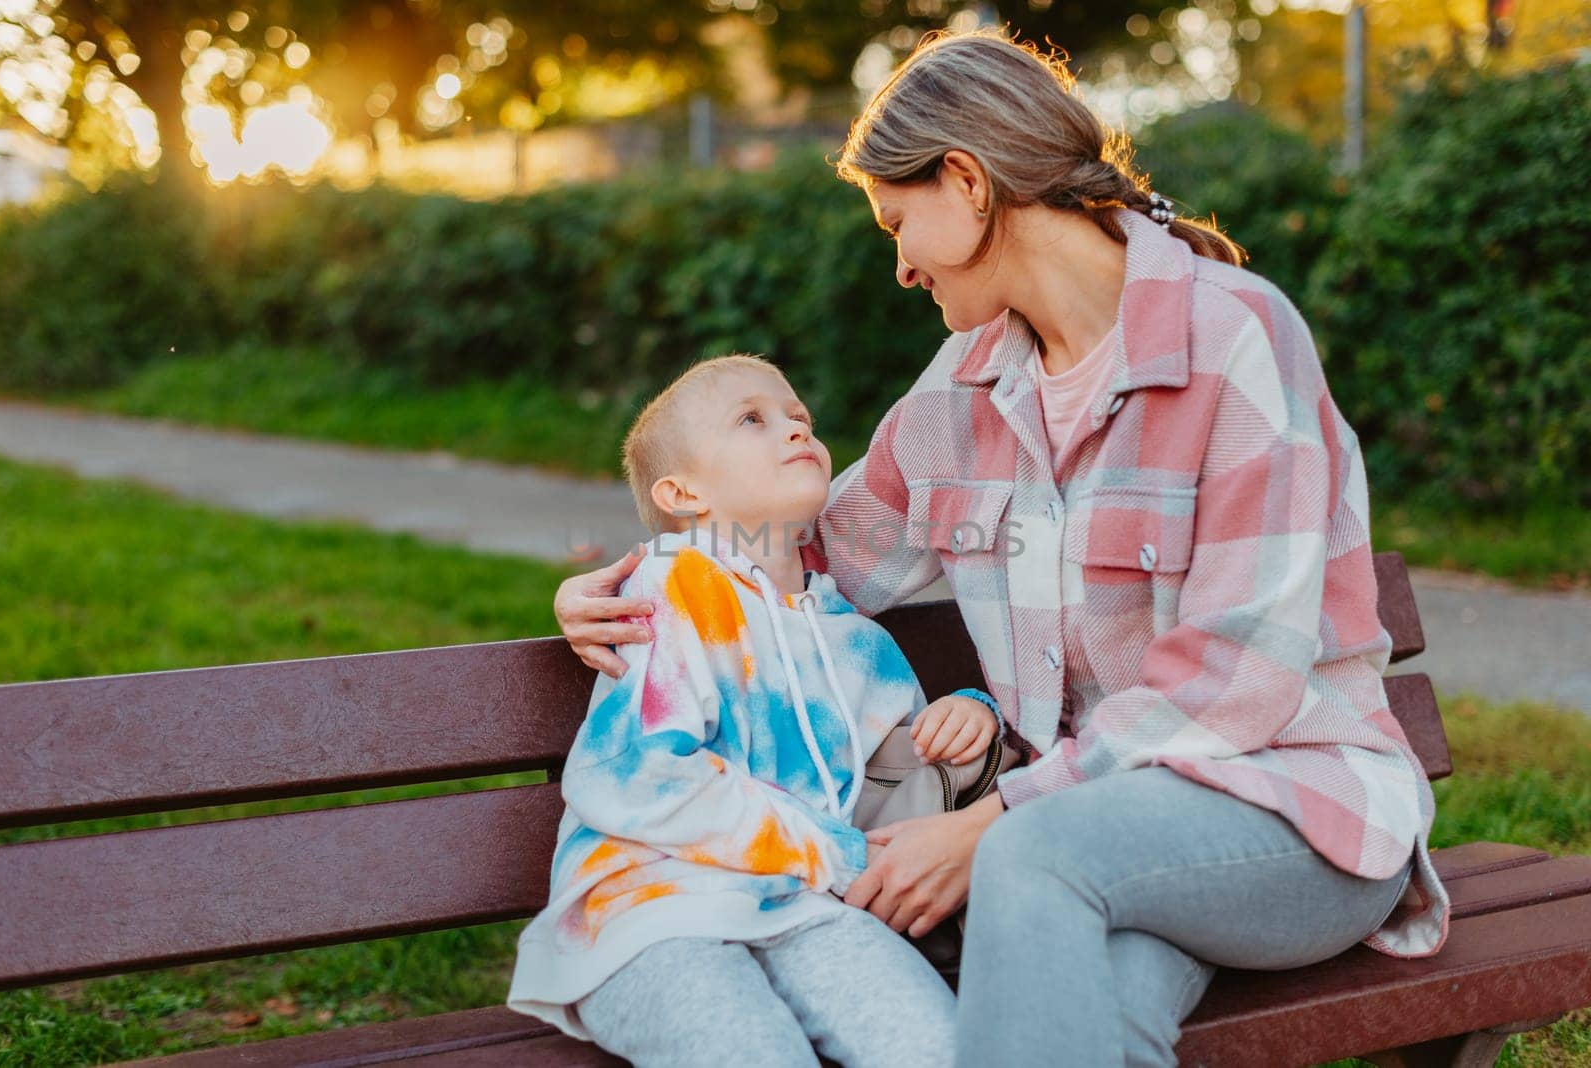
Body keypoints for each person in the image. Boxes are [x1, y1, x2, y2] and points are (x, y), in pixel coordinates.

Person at [556, 27, 1455, 1067]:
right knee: (1086, 1029)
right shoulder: (965, 387)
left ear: (967, 182)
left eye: (898, 223)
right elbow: (809, 556)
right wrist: (640, 580)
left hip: (1294, 815)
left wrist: (993, 821)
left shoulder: (1235, 338)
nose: (897, 265)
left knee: (1028, 866)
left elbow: (1235, 683)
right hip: (1094, 845)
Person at [508, 354, 1000, 1067]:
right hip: (650, 911)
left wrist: (970, 711)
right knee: (753, 1053)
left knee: (937, 1050)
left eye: (800, 418)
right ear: (683, 492)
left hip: (805, 906)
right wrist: (836, 857)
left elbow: (892, 780)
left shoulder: (857, 640)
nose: (797, 431)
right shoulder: (673, 591)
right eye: (753, 420)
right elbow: (639, 775)